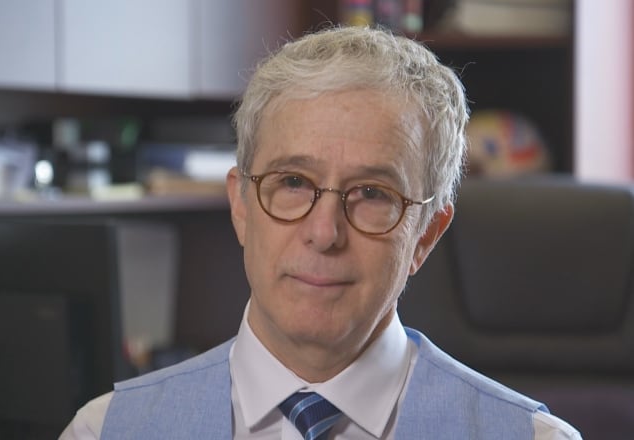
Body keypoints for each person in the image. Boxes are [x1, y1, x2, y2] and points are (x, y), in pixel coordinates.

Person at [60, 25, 582, 440]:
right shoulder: (105, 431)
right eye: (292, 182)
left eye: (374, 193)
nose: (324, 232)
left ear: (426, 234)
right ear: (241, 204)